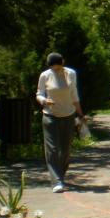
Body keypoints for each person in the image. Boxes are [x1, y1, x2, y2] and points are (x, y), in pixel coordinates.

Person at [36, 53, 85, 193]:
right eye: (54, 68)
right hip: (50, 116)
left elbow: (74, 94)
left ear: (62, 63)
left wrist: (80, 114)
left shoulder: (71, 74)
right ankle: (56, 181)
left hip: (69, 115)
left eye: (58, 67)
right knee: (52, 150)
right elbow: (39, 94)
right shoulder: (45, 75)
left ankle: (60, 176)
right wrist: (44, 101)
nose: (56, 70)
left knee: (66, 150)